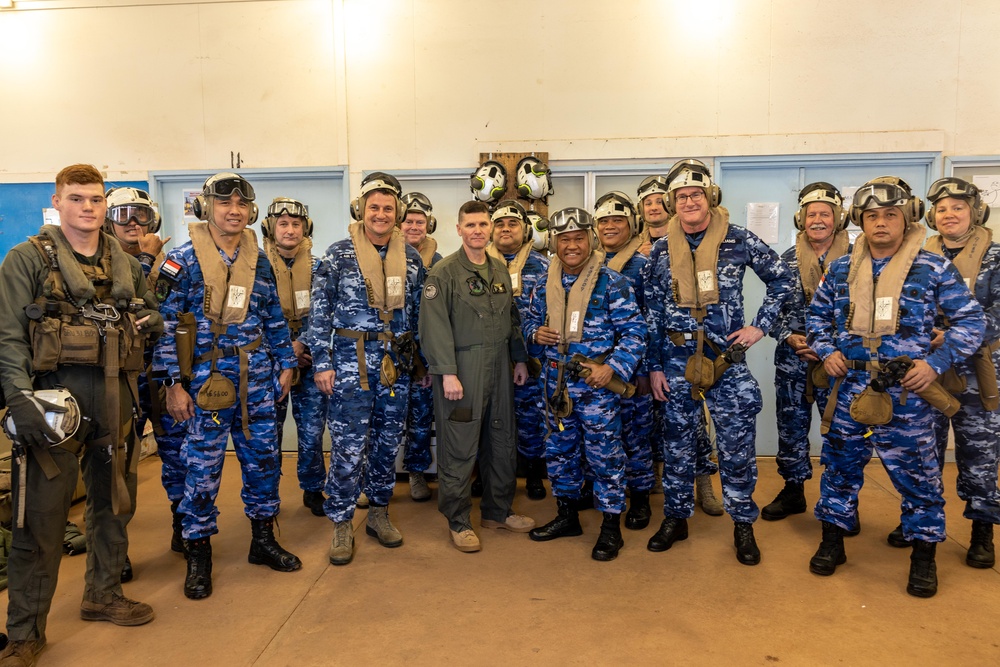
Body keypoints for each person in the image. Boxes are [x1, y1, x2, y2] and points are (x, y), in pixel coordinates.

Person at [0, 164, 162, 666]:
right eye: (76, 199)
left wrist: (152, 318)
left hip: (116, 399)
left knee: (114, 503)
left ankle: (103, 594)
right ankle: (25, 632)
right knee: (40, 520)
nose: (87, 208)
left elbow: (149, 308)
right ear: (58, 201)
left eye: (95, 199)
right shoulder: (26, 260)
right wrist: (17, 398)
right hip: (53, 404)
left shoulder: (125, 263)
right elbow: (7, 335)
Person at [806, 177, 985, 597]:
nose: (881, 223)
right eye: (872, 216)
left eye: (890, 215)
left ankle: (923, 558)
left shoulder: (933, 266)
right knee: (838, 471)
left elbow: (972, 322)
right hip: (849, 387)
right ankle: (833, 542)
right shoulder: (840, 268)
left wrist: (936, 362)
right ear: (859, 222)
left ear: (906, 219)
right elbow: (815, 319)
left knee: (919, 478)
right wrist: (826, 348)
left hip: (908, 394)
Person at [154, 172, 301, 601]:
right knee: (201, 468)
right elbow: (162, 328)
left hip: (257, 376)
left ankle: (263, 540)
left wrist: (285, 364)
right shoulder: (180, 261)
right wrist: (170, 385)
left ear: (251, 212)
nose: (233, 211)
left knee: (264, 461)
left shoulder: (260, 260)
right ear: (207, 208)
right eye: (224, 204)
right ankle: (199, 552)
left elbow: (274, 317)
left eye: (241, 205)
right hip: (203, 381)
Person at [643, 158, 793, 565]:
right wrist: (655, 365)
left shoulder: (738, 238)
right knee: (676, 445)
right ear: (673, 204)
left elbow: (783, 278)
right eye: (681, 196)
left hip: (726, 359)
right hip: (675, 361)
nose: (689, 201)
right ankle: (676, 517)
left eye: (695, 194)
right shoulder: (660, 250)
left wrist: (760, 327)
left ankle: (742, 524)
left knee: (736, 446)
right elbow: (653, 310)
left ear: (708, 197)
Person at [301, 172, 424, 565]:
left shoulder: (413, 258)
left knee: (388, 445)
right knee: (349, 448)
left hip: (396, 365)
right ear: (361, 210)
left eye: (389, 208)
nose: (381, 214)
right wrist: (322, 363)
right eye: (375, 207)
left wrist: (420, 363)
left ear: (398, 213)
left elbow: (420, 315)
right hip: (350, 363)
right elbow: (318, 314)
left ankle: (378, 514)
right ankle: (340, 521)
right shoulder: (338, 254)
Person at [882, 177, 999, 567]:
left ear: (975, 212)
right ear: (931, 216)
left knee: (978, 453)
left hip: (976, 368)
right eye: (943, 209)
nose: (949, 215)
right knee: (920, 451)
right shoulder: (916, 255)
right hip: (925, 369)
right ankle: (917, 522)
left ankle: (982, 528)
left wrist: (950, 335)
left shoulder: (995, 257)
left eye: (958, 208)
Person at [523, 208, 647, 561]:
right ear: (555, 244)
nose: (572, 246)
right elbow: (528, 324)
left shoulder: (612, 282)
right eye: (565, 240)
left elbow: (635, 333)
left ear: (589, 240)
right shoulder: (542, 282)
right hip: (555, 387)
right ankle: (567, 517)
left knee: (605, 457)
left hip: (596, 389)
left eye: (579, 238)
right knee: (560, 454)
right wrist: (536, 333)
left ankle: (611, 528)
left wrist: (614, 368)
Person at [418, 200, 535, 553]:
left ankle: (497, 511)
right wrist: (447, 373)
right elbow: (433, 327)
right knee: (459, 445)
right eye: (470, 225)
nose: (478, 231)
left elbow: (511, 319)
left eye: (483, 224)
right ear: (459, 230)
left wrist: (518, 360)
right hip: (462, 369)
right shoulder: (444, 274)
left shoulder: (499, 270)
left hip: (499, 365)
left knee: (500, 439)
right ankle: (458, 519)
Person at [104, 186, 188, 575]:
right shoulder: (99, 261)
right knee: (116, 466)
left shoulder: (170, 263)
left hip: (162, 375)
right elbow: (128, 301)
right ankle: (114, 551)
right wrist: (146, 256)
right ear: (109, 220)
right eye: (123, 215)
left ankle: (183, 526)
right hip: (118, 377)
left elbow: (160, 306)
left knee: (179, 457)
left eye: (140, 214)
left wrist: (152, 259)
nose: (133, 223)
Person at [763, 183, 853, 523]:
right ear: (802, 219)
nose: (817, 220)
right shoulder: (784, 261)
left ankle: (841, 501)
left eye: (825, 214)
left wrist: (834, 344)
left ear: (838, 219)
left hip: (840, 363)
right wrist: (788, 336)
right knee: (791, 427)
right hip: (793, 360)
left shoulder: (857, 259)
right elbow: (771, 311)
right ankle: (793, 490)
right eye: (811, 213)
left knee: (843, 431)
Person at [637, 175, 722, 515]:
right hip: (646, 345)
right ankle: (659, 477)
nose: (655, 207)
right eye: (648, 203)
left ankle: (703, 483)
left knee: (694, 424)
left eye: (660, 201)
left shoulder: (696, 239)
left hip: (689, 352)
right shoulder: (636, 247)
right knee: (652, 421)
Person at [262, 197, 330, 516]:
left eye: (296, 224)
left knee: (313, 432)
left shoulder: (319, 268)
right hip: (269, 366)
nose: (290, 230)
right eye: (283, 224)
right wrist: (283, 353)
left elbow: (325, 313)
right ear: (271, 228)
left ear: (306, 229)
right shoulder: (255, 268)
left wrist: (302, 344)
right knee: (268, 435)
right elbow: (252, 316)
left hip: (310, 359)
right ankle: (267, 493)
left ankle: (313, 488)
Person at [593, 191, 655, 529]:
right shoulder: (589, 263)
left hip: (631, 370)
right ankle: (604, 498)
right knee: (604, 438)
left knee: (636, 437)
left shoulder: (643, 266)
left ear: (631, 224)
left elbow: (652, 322)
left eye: (617, 220)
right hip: (595, 373)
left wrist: (645, 371)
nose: (610, 226)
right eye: (604, 221)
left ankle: (641, 499)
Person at [486, 199, 550, 500]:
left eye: (513, 223)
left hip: (533, 359)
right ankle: (488, 476)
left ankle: (534, 474)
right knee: (489, 419)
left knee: (531, 420)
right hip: (489, 357)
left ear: (525, 230)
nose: (506, 228)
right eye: (499, 224)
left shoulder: (545, 266)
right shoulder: (477, 264)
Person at [398, 192, 441, 502]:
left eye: (420, 221)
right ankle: (375, 477)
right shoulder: (382, 257)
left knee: (421, 417)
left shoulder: (439, 264)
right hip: (386, 354)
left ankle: (416, 472)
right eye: (408, 221)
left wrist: (429, 362)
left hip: (423, 355)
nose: (414, 226)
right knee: (380, 420)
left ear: (429, 225)